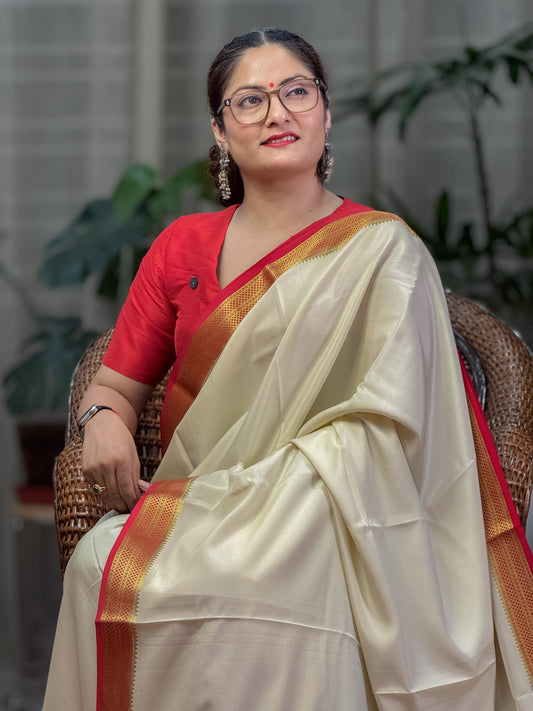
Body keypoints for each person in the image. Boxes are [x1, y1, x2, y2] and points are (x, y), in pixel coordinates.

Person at [43, 28, 532, 711]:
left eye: (296, 91)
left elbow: (392, 429)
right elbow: (116, 385)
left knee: (290, 572)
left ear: (324, 113)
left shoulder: (384, 251)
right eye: (250, 100)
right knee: (100, 563)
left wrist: (282, 499)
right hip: (198, 499)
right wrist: (101, 422)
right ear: (220, 131)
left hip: (333, 512)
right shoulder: (181, 247)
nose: (278, 112)